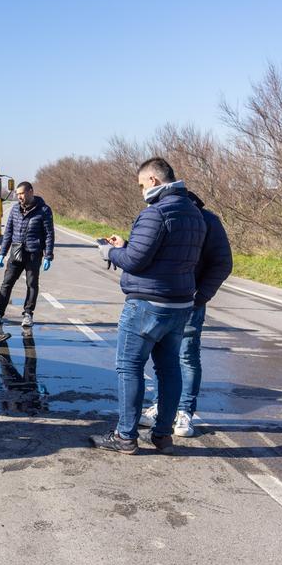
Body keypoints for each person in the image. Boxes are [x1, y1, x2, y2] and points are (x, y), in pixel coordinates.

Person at [90, 157, 206, 455]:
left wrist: (111, 251)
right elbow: (163, 254)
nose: (142, 190)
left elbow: (134, 261)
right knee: (169, 370)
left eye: (142, 185)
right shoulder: (193, 213)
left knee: (129, 367)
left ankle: (125, 436)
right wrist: (128, 245)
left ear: (153, 180)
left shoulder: (155, 213)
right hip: (180, 304)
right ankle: (163, 435)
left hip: (146, 305)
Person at [139, 190, 232, 437]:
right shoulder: (162, 216)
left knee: (187, 356)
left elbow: (223, 262)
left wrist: (200, 297)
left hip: (190, 301)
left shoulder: (207, 220)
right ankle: (161, 406)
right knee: (162, 358)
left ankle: (184, 413)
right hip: (161, 301)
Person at [0, 182, 55, 328]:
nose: (19, 196)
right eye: (18, 194)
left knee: (32, 284)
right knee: (6, 283)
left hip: (33, 253)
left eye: (21, 193)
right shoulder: (15, 209)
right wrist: (2, 253)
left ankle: (28, 314)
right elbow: (8, 232)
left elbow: (49, 234)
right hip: (16, 252)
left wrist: (48, 255)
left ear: (30, 192)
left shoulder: (44, 210)